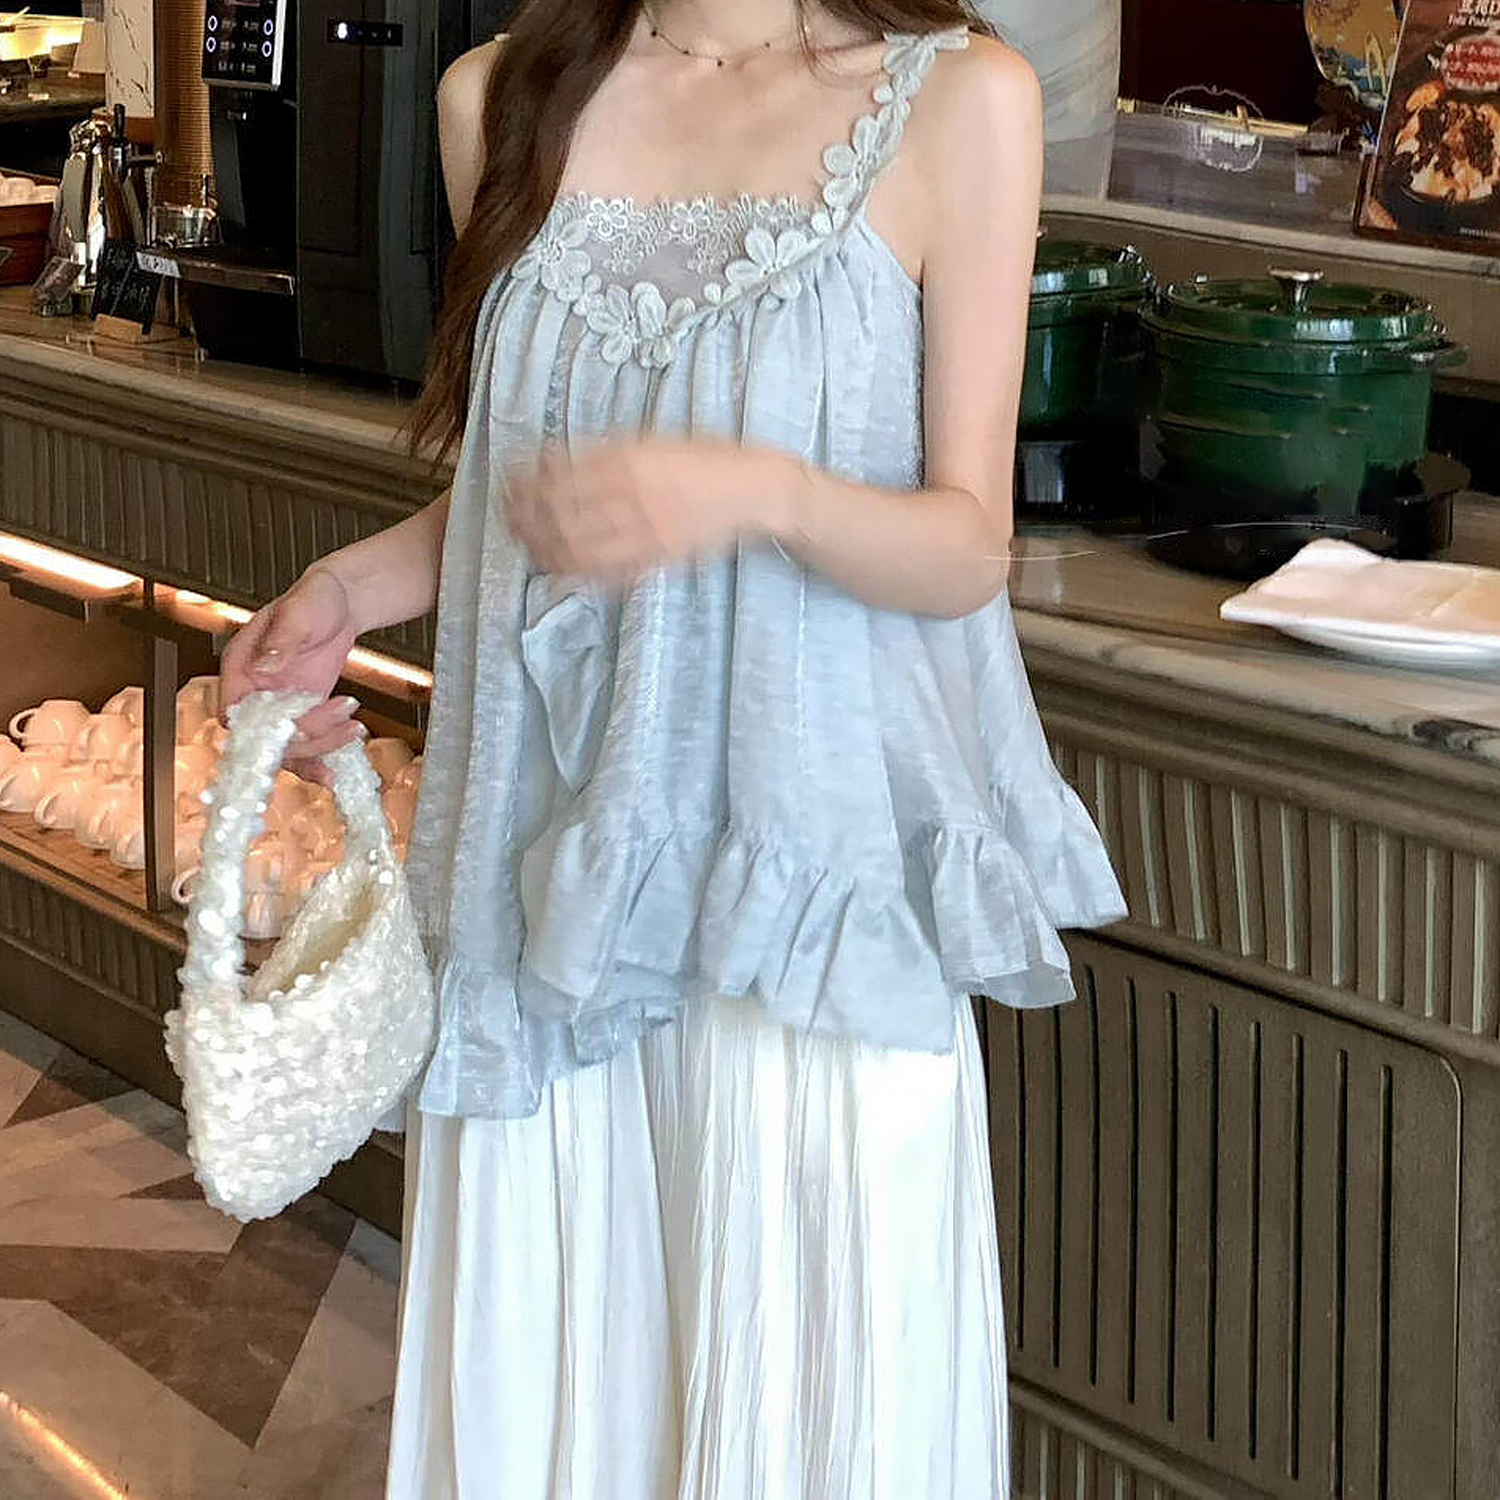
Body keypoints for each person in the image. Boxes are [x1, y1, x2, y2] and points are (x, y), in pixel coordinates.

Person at [220, 2, 1126, 1494]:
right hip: (554, 885)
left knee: (808, 1405)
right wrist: (347, 590)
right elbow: (531, 481)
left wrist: (759, 490)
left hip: (806, 891)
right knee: (569, 1396)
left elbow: (968, 548)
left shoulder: (961, 99)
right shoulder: (496, 99)